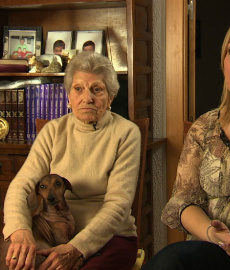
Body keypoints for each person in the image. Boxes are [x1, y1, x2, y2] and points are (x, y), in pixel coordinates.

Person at [142, 8, 230, 270]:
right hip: (212, 252)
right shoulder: (205, 127)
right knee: (170, 261)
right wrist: (215, 236)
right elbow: (183, 201)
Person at [3, 52, 141, 270]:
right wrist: (20, 229)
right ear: (68, 97)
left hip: (108, 238)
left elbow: (118, 205)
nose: (87, 98)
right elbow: (21, 186)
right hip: (50, 233)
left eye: (97, 89)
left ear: (111, 97)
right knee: (13, 260)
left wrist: (77, 247)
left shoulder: (126, 133)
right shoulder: (53, 131)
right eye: (78, 89)